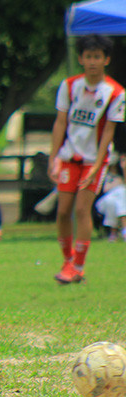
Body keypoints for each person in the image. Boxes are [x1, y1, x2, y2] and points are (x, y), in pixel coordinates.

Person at [49, 34, 125, 283]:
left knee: (82, 210)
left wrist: (96, 167)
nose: (92, 61)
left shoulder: (115, 92)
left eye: (98, 57)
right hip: (70, 157)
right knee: (62, 212)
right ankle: (67, 260)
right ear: (81, 59)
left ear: (106, 60)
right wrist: (54, 158)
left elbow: (109, 133)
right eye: (88, 56)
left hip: (95, 160)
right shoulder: (69, 86)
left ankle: (78, 266)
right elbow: (60, 122)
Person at [95, 167, 126, 242]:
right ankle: (124, 229)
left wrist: (124, 169)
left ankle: (113, 233)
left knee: (112, 201)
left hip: (116, 201)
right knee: (121, 191)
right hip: (102, 202)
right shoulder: (103, 172)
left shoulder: (122, 173)